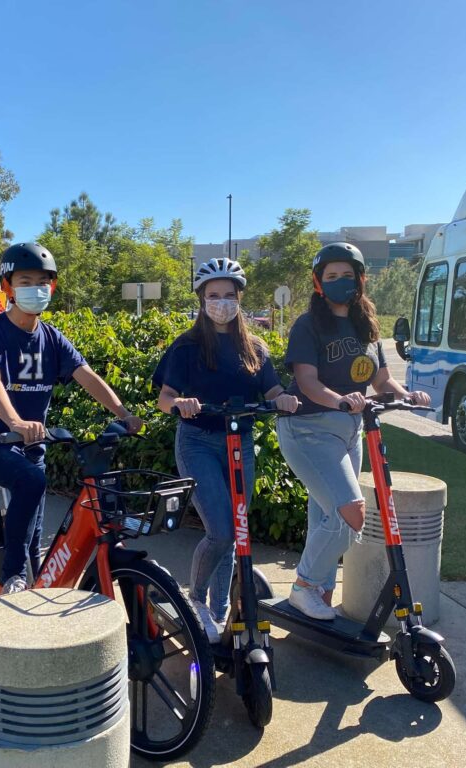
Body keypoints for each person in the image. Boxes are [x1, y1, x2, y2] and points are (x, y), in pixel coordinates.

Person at [0, 243, 142, 594]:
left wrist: (124, 414)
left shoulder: (52, 339)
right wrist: (15, 422)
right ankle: (11, 574)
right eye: (25, 280)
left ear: (52, 288)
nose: (36, 287)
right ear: (7, 287)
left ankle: (28, 596)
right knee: (30, 485)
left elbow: (88, 377)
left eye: (43, 281)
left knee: (34, 543)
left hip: (31, 448)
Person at [277, 243, 431, 620]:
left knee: (326, 516)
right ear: (318, 283)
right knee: (351, 513)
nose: (340, 282)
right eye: (331, 277)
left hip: (350, 430)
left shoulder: (366, 327)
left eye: (348, 275)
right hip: (309, 428)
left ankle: (320, 596)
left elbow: (380, 378)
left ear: (360, 279)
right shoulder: (308, 325)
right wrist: (340, 400)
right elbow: (307, 382)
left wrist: (406, 394)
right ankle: (304, 586)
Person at [153, 257, 299, 642]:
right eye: (213, 295)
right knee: (220, 531)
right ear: (202, 300)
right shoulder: (186, 347)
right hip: (198, 442)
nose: (222, 302)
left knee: (236, 532)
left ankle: (218, 614)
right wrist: (180, 404)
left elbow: (272, 390)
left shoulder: (255, 348)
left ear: (239, 299)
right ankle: (196, 599)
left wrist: (284, 399)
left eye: (229, 295)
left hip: (240, 443)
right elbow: (164, 399)